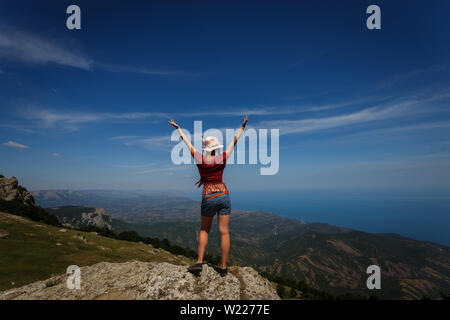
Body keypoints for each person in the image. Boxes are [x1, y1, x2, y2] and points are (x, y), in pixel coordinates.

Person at [168, 115, 249, 277]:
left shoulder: (199, 159)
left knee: (204, 230)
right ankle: (224, 267)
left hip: (208, 196)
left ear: (205, 149)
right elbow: (234, 141)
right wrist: (242, 127)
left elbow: (187, 142)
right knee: (224, 232)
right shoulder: (222, 157)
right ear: (216, 147)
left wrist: (178, 129)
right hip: (223, 193)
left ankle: (199, 262)